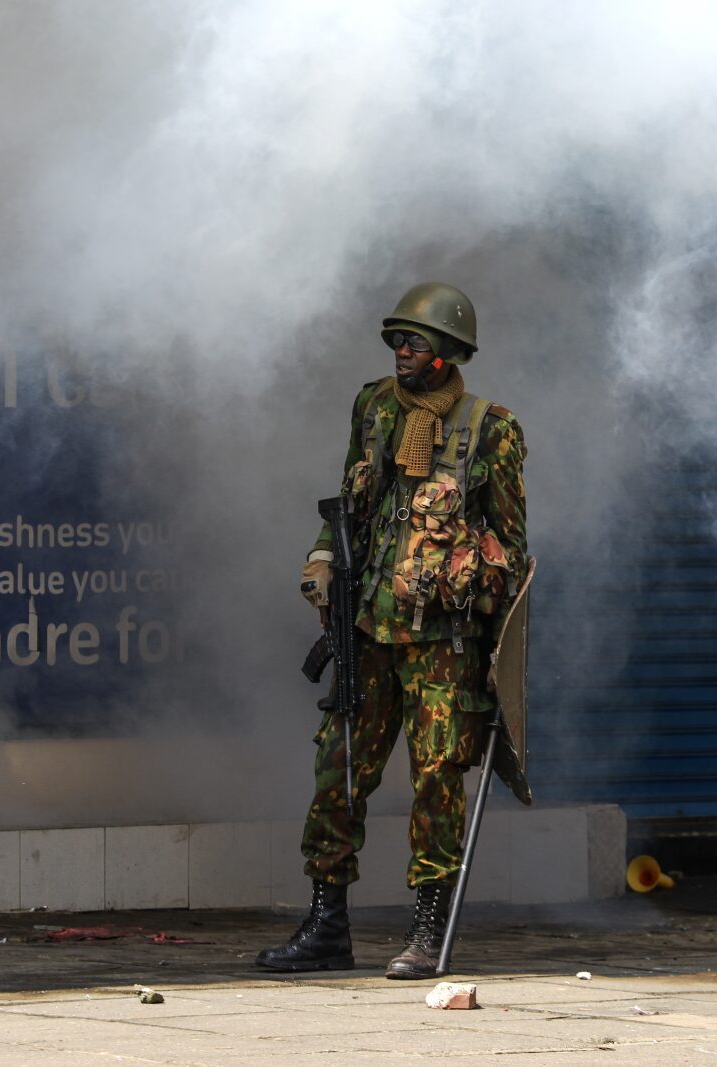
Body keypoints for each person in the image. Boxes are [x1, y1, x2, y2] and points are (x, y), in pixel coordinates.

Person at [256, 282, 527, 979]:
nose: (402, 353)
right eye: (396, 341)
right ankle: (326, 924)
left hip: (443, 645)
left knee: (437, 779)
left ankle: (427, 928)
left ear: (448, 353)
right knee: (338, 770)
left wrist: (493, 649)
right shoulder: (374, 409)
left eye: (416, 343)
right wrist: (321, 561)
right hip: (368, 629)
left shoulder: (490, 430)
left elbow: (513, 551)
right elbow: (347, 505)